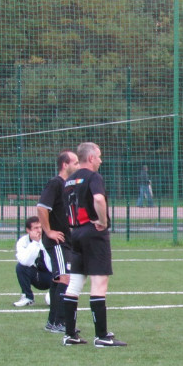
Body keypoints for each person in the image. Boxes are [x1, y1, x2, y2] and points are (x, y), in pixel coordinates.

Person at [61, 142, 127, 347]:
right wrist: (103, 221)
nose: (100, 160)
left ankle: (69, 334)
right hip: (93, 233)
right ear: (90, 158)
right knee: (99, 283)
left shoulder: (69, 180)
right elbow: (98, 198)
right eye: (98, 156)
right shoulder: (93, 177)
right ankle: (101, 336)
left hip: (76, 233)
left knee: (74, 284)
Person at [37, 149, 80, 333]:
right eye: (75, 163)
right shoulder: (55, 183)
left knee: (59, 279)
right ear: (65, 164)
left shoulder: (69, 186)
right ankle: (60, 322)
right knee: (65, 278)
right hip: (57, 242)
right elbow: (42, 207)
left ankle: (52, 322)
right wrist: (48, 231)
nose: (78, 166)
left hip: (67, 240)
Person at [14, 216, 53, 307]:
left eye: (40, 227)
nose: (39, 230)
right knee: (20, 267)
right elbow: (25, 262)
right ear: (28, 230)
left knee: (50, 300)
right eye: (36, 228)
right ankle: (27, 297)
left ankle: (56, 293)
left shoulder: (49, 239)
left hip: (52, 275)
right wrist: (35, 242)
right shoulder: (22, 241)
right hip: (36, 275)